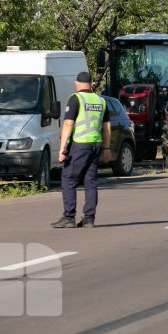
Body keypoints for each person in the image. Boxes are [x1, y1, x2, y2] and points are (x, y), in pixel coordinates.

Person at [51, 72, 111, 229]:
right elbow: (107, 127)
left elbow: (68, 124)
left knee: (69, 179)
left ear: (76, 84)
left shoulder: (75, 98)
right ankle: (89, 219)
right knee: (90, 181)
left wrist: (62, 148)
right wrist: (107, 148)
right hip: (96, 144)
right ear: (91, 83)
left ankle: (68, 217)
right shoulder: (101, 100)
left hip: (79, 144)